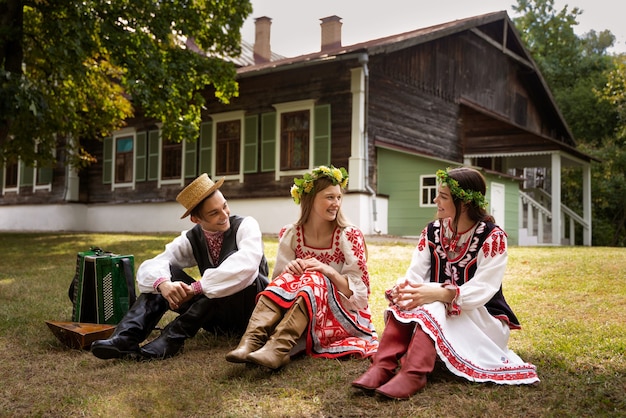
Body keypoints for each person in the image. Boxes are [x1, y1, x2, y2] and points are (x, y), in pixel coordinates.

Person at [352, 167, 539, 400]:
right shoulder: (432, 231)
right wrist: (408, 289)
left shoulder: (492, 237)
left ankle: (413, 374)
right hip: (440, 314)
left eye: (443, 196)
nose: (435, 200)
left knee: (432, 303)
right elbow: (415, 274)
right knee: (411, 296)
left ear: (464, 203)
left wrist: (438, 293)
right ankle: (382, 366)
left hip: (482, 320)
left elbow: (484, 289)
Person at [91, 173, 269, 360]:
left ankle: (173, 336)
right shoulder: (191, 238)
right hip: (215, 319)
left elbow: (246, 266)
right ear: (196, 220)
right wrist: (164, 285)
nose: (224, 215)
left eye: (224, 206)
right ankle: (126, 337)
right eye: (214, 213)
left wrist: (196, 288)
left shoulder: (246, 225)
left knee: (231, 272)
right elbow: (154, 264)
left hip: (250, 314)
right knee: (165, 273)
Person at [225, 165, 378, 369]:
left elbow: (359, 297)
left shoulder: (348, 235)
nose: (336, 204)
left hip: (342, 315)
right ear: (310, 198)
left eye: (338, 197)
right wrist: (292, 268)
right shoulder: (291, 233)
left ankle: (277, 349)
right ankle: (250, 342)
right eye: (329, 197)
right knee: (294, 276)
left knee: (316, 277)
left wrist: (327, 270)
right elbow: (278, 284)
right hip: (299, 311)